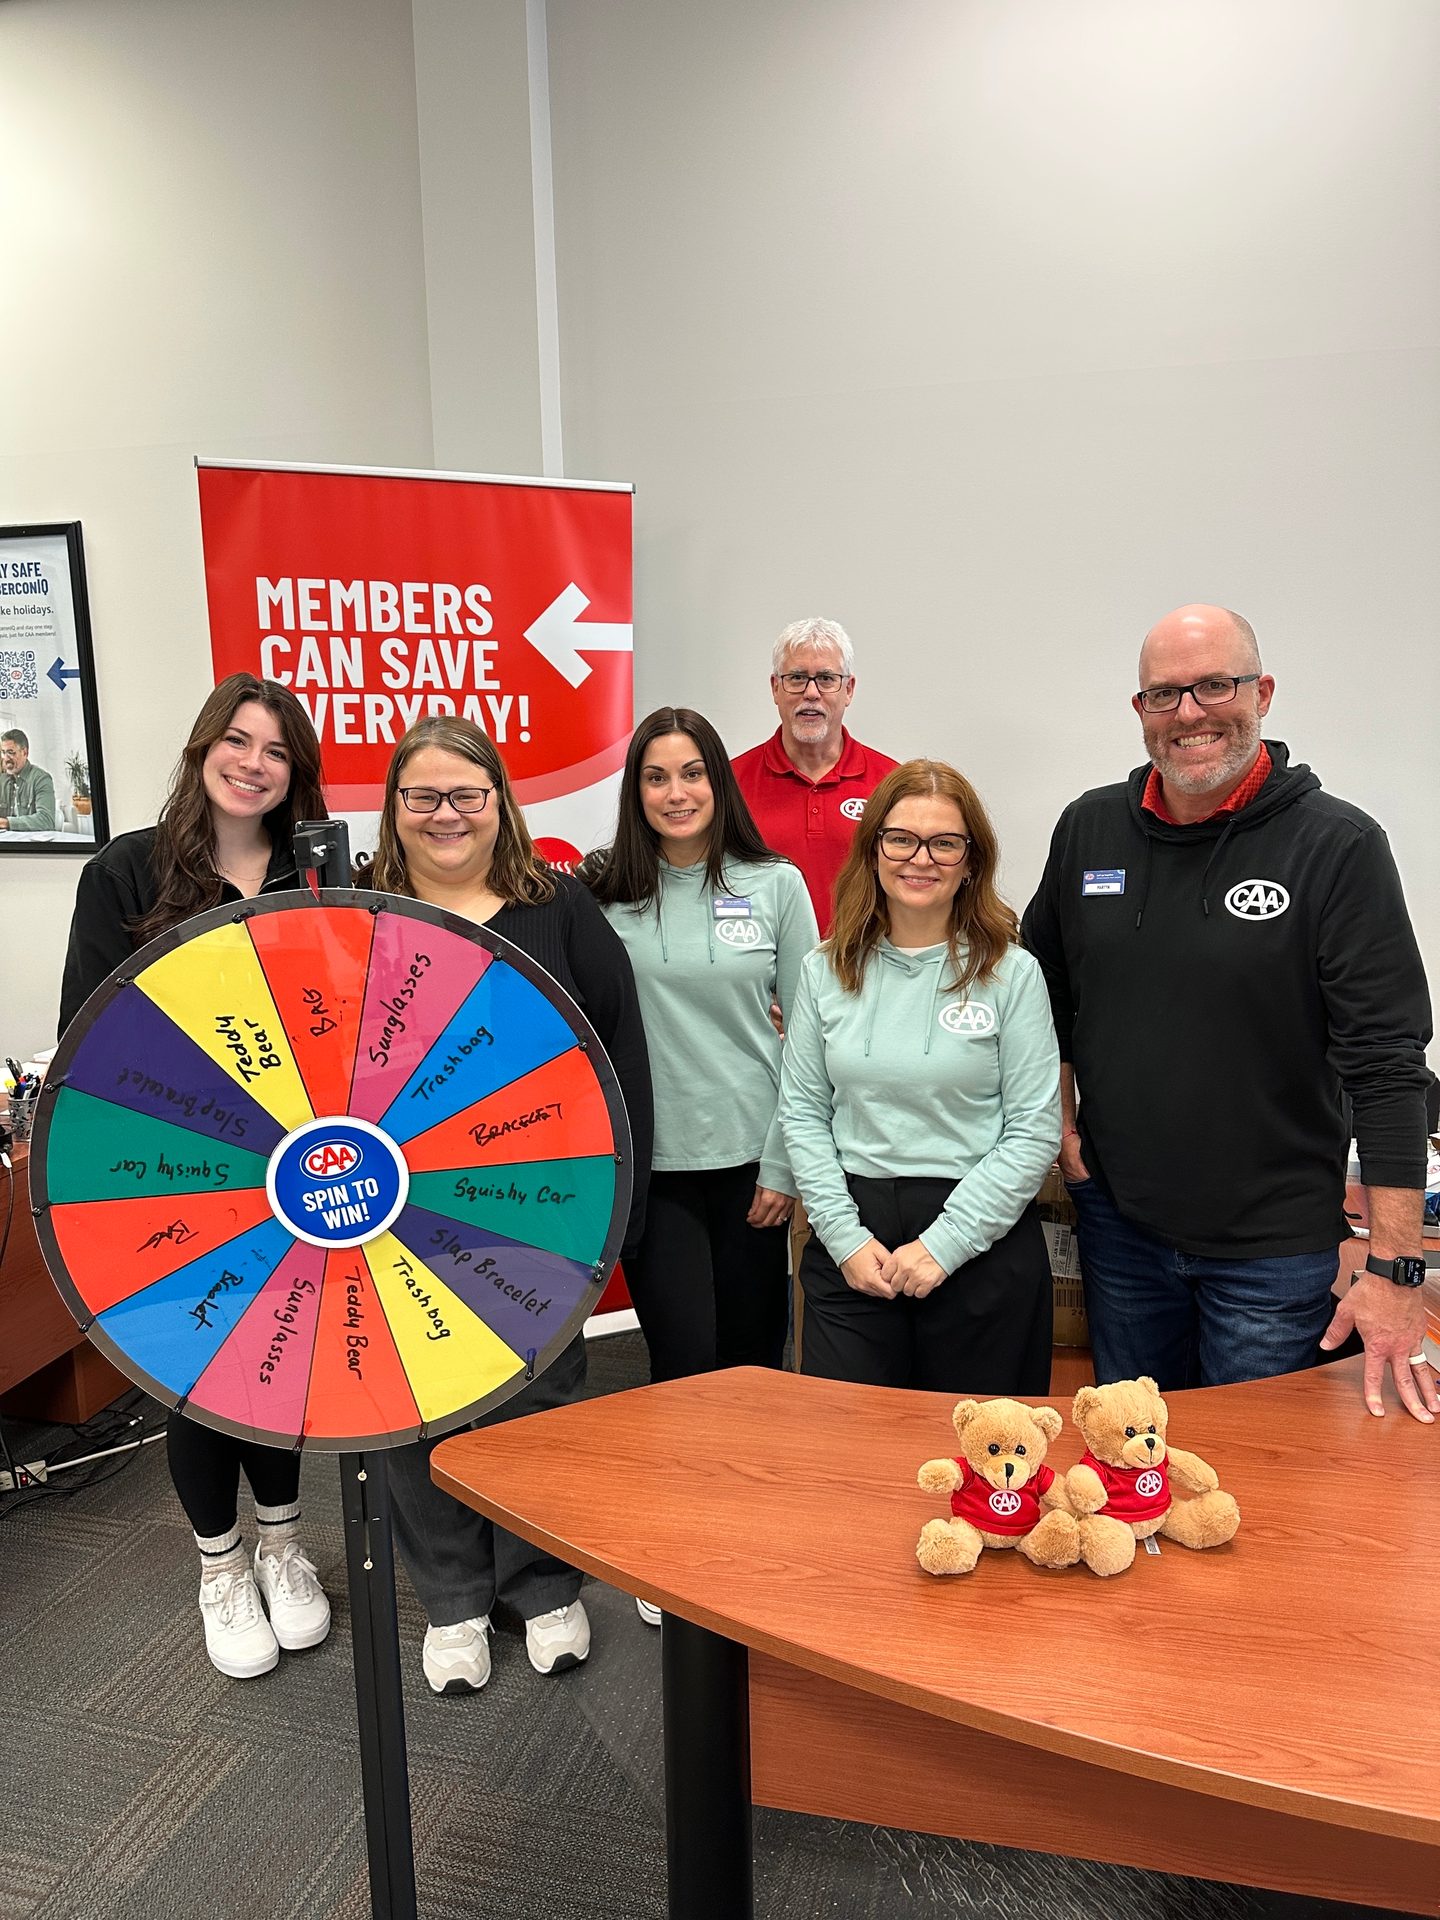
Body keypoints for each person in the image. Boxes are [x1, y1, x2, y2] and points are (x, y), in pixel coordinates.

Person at [1021, 604, 1437, 1424]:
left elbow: (1388, 1067)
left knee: (1255, 1490)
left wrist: (1394, 1270)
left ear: (1264, 692)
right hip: (1122, 1228)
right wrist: (1061, 1123)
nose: (1190, 714)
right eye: (1164, 694)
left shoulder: (1337, 847)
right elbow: (1046, 993)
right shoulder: (1089, 829)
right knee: (1127, 1464)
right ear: (1139, 710)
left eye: (1215, 686)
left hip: (1273, 1258)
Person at [364, 716, 653, 1694]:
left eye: (467, 795)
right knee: (418, 1406)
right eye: (424, 797)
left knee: (541, 1396)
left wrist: (625, 1201)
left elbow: (622, 1057)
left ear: (500, 804)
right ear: (396, 809)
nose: (446, 815)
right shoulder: (358, 918)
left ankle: (542, 1582)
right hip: (395, 1211)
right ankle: (450, 1597)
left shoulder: (558, 907)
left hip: (542, 1205)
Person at [58, 673, 333, 1678]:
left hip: (298, 1169)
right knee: (199, 1373)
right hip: (174, 1175)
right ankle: (221, 1566)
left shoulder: (318, 877)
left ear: (295, 772)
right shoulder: (126, 874)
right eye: (238, 741)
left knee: (280, 1357)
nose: (254, 763)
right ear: (201, 748)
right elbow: (88, 1041)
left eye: (276, 750)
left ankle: (285, 1544)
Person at [780, 760, 1061, 1393]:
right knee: (848, 1461)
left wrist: (946, 1244)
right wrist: (846, 1241)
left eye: (945, 843)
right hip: (852, 1239)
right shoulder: (824, 970)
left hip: (980, 1241)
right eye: (901, 838)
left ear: (970, 861)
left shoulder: (1012, 975)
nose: (920, 858)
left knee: (982, 1474)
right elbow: (801, 1114)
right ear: (874, 848)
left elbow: (1034, 1130)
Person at [583, 707, 818, 1382]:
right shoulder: (604, 896)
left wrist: (785, 1164)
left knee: (753, 1362)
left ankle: (754, 1491)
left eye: (691, 774)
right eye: (655, 778)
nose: (675, 793)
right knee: (681, 1363)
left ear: (718, 782)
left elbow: (809, 1038)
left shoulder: (776, 884)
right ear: (637, 792)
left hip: (753, 1160)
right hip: (653, 1166)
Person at [730, 618, 898, 933]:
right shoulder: (728, 783)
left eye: (826, 678)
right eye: (796, 678)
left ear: (848, 689)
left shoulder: (892, 784)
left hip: (866, 970)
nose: (811, 693)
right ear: (775, 688)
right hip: (765, 975)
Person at [0, 728, 58, 831]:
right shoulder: (2, 779)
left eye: (10, 752)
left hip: (34, 845)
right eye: (3, 752)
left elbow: (46, 820)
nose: (6, 758)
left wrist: (8, 823)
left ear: (25, 753)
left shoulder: (41, 779)